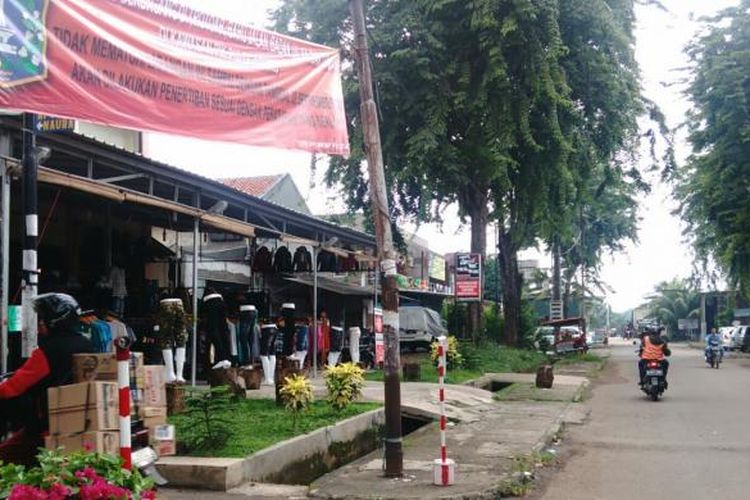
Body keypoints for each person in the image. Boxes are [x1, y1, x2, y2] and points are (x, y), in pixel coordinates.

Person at [0, 293, 94, 465]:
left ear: (55, 321)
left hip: (48, 427)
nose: (39, 326)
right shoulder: (88, 345)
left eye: (42, 320)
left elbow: (12, 388)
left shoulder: (49, 350)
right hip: (84, 424)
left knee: (5, 454)